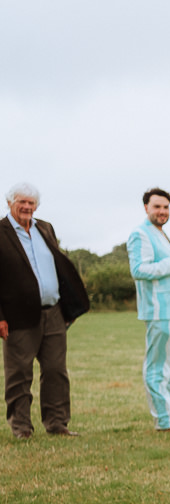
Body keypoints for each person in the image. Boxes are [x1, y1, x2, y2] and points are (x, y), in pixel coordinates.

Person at [1, 182, 89, 439]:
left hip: (53, 312)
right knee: (19, 373)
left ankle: (57, 423)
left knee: (56, 371)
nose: (27, 207)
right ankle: (21, 428)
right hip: (18, 316)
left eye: (31, 203)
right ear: (10, 203)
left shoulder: (44, 228)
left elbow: (58, 265)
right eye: (22, 202)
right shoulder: (1, 231)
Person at [127, 188, 170, 433]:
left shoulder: (163, 235)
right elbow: (139, 270)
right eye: (157, 206)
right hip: (160, 311)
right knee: (159, 367)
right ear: (146, 207)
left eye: (165, 207)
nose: (162, 211)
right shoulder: (140, 234)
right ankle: (164, 422)